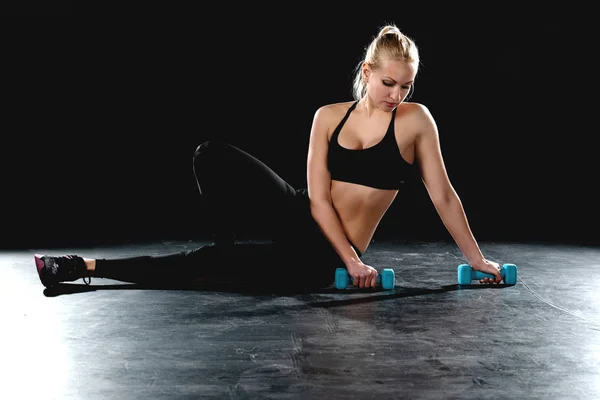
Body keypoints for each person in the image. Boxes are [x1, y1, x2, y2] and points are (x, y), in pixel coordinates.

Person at [34, 24, 504, 291]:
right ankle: (224, 246)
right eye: (388, 83)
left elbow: (443, 195)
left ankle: (81, 267)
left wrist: (477, 260)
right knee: (210, 155)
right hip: (299, 212)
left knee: (198, 269)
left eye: (406, 85)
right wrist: (356, 266)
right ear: (368, 72)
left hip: (324, 255)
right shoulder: (327, 117)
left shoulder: (416, 121)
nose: (396, 95)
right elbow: (318, 201)